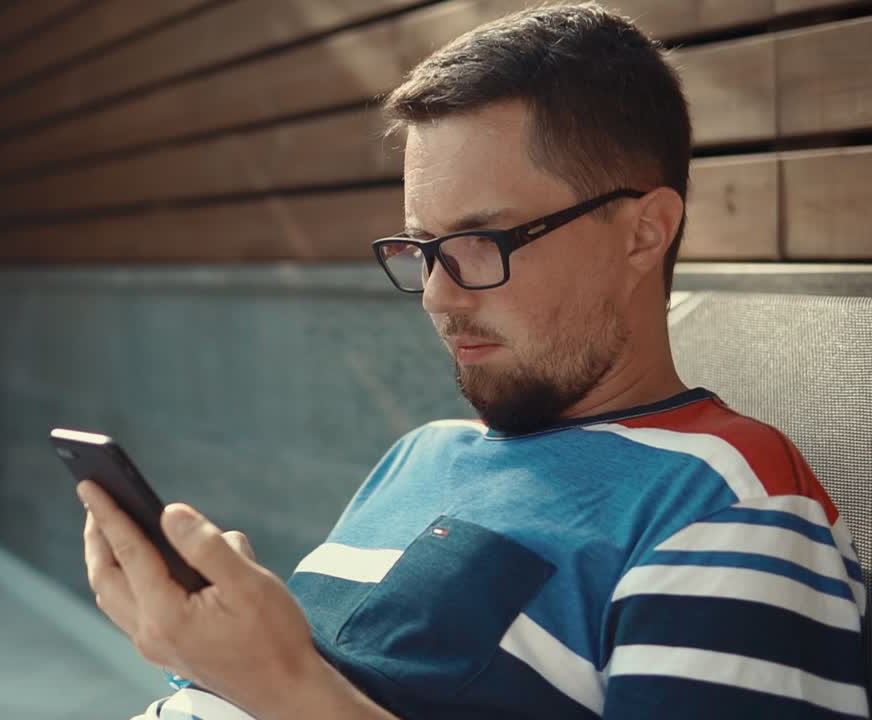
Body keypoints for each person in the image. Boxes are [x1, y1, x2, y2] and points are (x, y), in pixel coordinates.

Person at [77, 3, 869, 718]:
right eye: (423, 246)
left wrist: (278, 682)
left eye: (481, 242)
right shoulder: (419, 456)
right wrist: (205, 645)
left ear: (643, 232)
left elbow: (288, 689)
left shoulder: (728, 505)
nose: (436, 295)